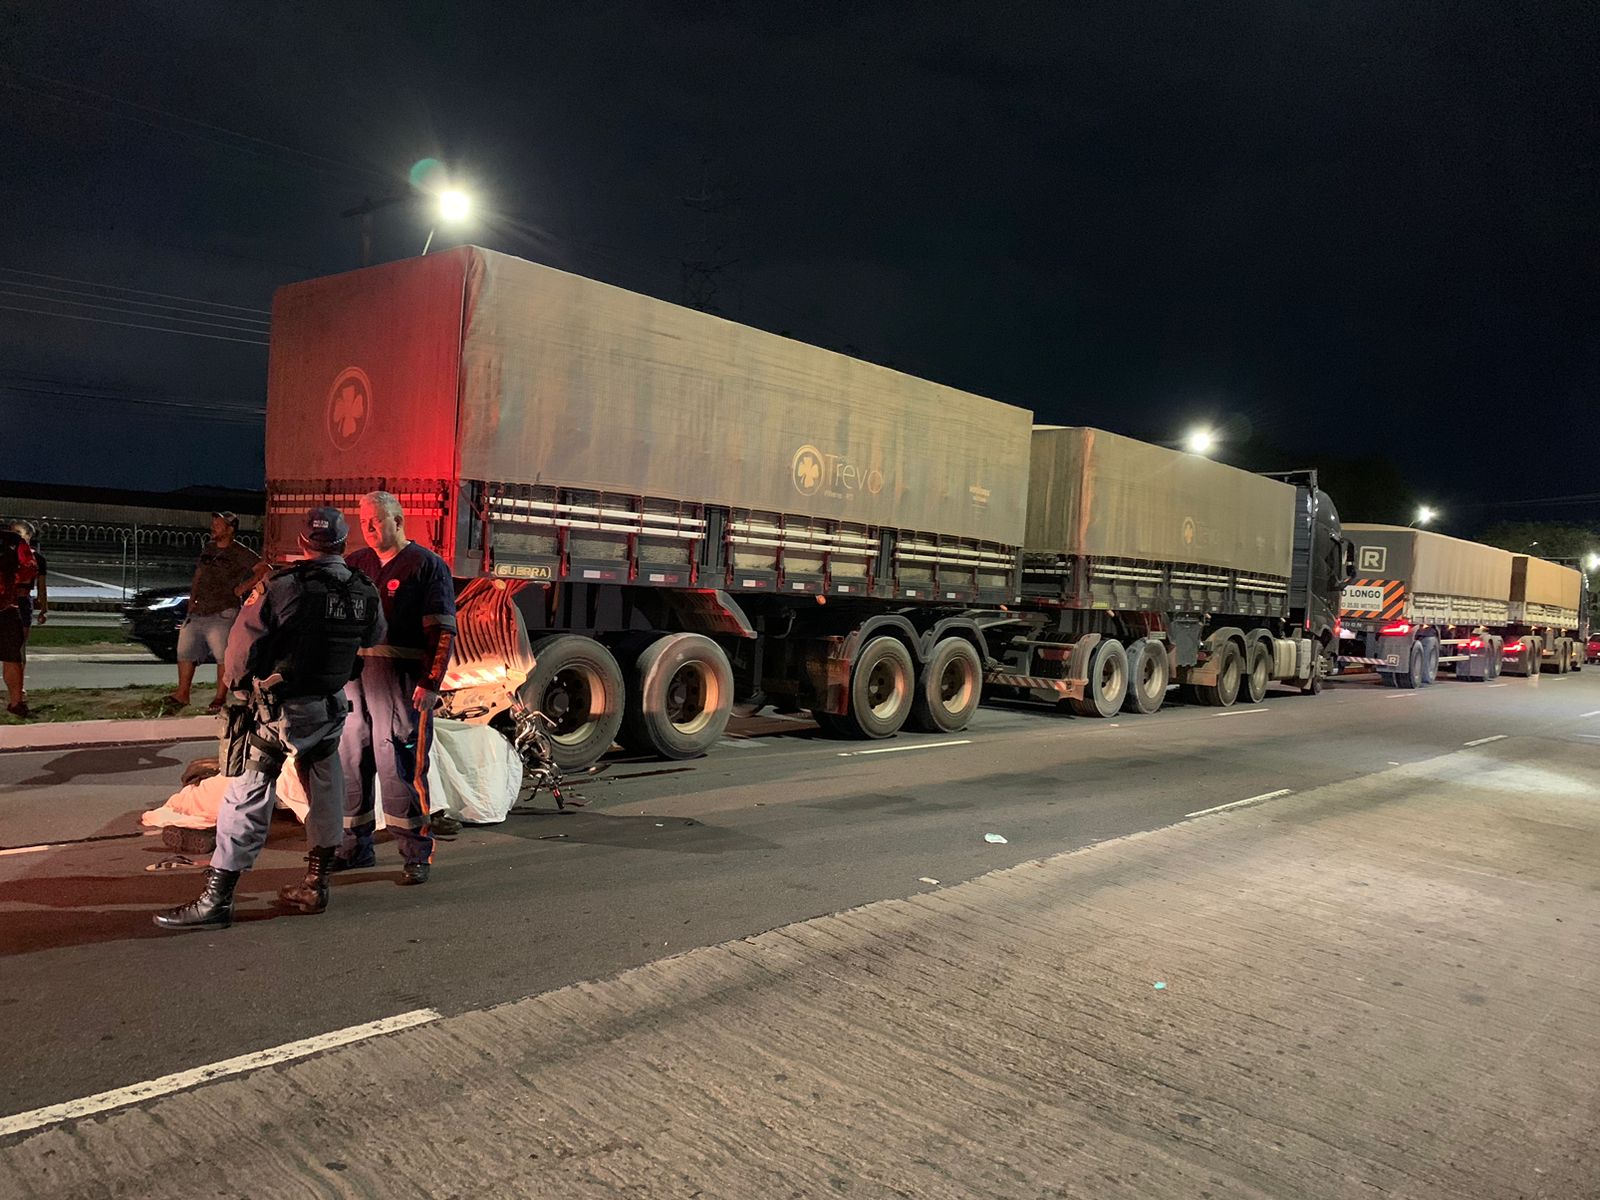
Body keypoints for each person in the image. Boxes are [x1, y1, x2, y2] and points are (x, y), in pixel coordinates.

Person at [154, 507, 382, 930]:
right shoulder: (363, 589)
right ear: (343, 543)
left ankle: (217, 899)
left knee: (247, 794)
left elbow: (240, 652)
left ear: (302, 543)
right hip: (329, 710)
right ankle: (316, 885)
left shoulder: (282, 587)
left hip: (277, 713)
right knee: (327, 794)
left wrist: (239, 691)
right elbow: (373, 636)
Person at [334, 490, 458, 884]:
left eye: (376, 520)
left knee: (400, 761)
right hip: (356, 677)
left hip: (401, 678)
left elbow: (442, 629)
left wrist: (430, 682)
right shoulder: (356, 564)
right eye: (363, 521)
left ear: (398, 521)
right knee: (352, 759)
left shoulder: (427, 566)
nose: (368, 529)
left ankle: (415, 852)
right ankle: (355, 847)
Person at [170, 511, 270, 712]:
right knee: (185, 652)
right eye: (213, 523)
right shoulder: (208, 548)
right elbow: (199, 573)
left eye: (218, 524)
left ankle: (219, 698)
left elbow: (264, 569)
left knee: (223, 656)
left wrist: (243, 588)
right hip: (199, 610)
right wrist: (192, 599)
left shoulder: (240, 552)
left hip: (223, 611)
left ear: (230, 529)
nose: (213, 527)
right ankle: (182, 694)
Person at [1, 524, 39, 718]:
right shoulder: (14, 542)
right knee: (12, 657)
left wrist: (13, 577)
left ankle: (17, 701)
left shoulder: (13, 542)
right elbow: (29, 567)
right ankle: (16, 702)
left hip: (7, 606)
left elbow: (30, 567)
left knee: (12, 656)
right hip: (7, 606)